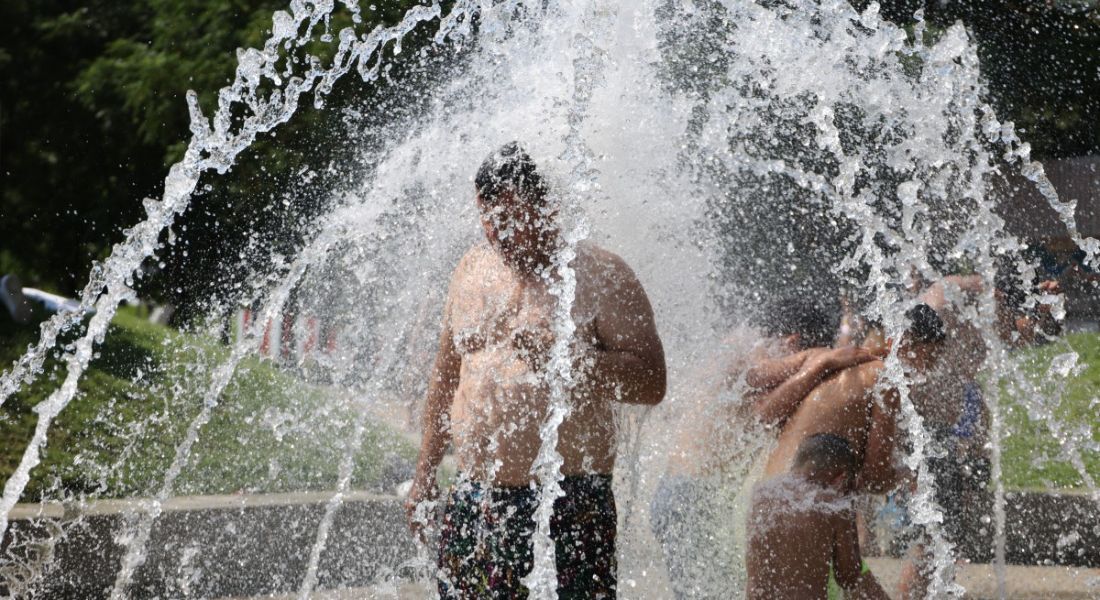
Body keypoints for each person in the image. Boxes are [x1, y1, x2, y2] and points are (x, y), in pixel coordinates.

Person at [404, 142, 667, 599]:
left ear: (548, 208)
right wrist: (426, 473)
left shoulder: (600, 275)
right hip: (475, 495)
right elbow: (447, 379)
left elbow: (651, 382)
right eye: (490, 219)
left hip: (568, 500)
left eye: (513, 218)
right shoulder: (470, 270)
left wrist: (569, 360)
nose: (500, 234)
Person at [652, 297, 876, 599]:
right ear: (792, 341)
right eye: (800, 354)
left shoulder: (733, 353)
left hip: (683, 494)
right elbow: (763, 416)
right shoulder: (743, 353)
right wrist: (820, 362)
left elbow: (761, 408)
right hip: (689, 496)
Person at [746, 433, 891, 600]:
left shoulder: (760, 495)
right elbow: (849, 578)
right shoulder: (832, 506)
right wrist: (849, 508)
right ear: (841, 478)